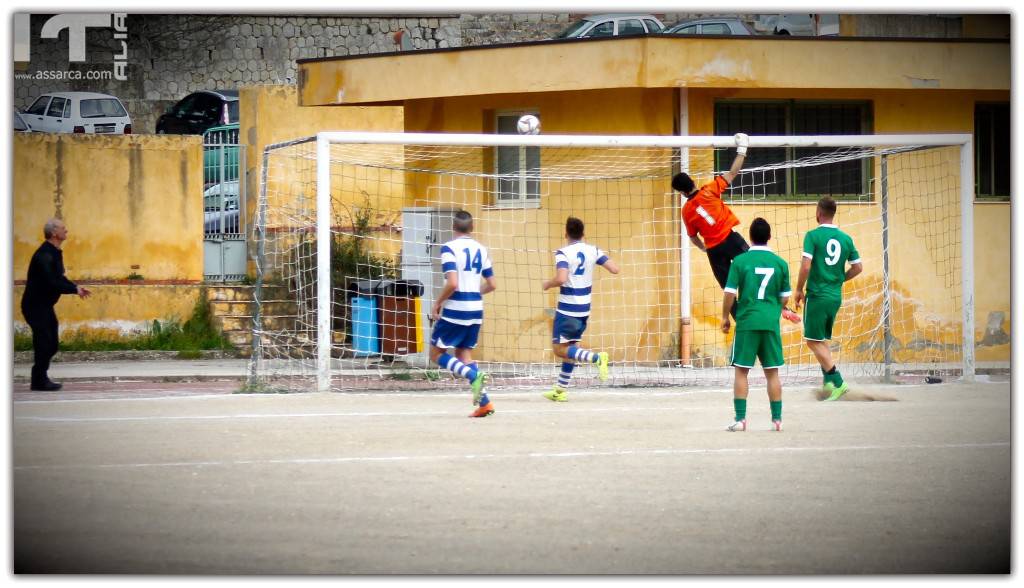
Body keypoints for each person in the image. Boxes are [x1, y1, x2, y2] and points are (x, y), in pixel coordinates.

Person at [721, 217, 791, 432]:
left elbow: (730, 293)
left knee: (741, 371)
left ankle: (741, 420)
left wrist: (725, 317)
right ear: (769, 237)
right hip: (770, 323)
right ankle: (777, 420)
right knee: (772, 373)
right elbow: (785, 298)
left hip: (747, 322)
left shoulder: (740, 262)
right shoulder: (781, 263)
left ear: (750, 238)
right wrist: (773, 309)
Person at [540, 217, 620, 402]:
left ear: (566, 234)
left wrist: (547, 284)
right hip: (584, 308)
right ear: (584, 234)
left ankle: (597, 358)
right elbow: (615, 269)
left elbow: (561, 278)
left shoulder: (563, 253)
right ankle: (560, 390)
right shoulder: (593, 250)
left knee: (559, 349)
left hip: (568, 308)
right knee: (571, 347)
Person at [793, 196, 863, 402]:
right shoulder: (846, 238)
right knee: (821, 340)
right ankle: (829, 385)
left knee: (812, 341)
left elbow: (806, 266)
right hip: (835, 296)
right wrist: (840, 278)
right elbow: (858, 267)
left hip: (817, 295)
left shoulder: (812, 236)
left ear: (819, 212)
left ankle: (838, 383)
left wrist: (798, 289)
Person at [673, 132, 750, 318]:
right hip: (731, 239)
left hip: (714, 249)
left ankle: (740, 321)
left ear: (682, 193)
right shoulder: (710, 189)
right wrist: (742, 150)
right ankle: (766, 305)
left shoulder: (686, 211)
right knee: (752, 268)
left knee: (728, 287)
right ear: (692, 182)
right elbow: (733, 173)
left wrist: (704, 249)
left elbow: (692, 237)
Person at [429, 210, 498, 418]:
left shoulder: (449, 248)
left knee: (435, 354)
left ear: (453, 227)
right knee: (463, 354)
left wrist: (437, 303)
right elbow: (493, 284)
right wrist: (475, 293)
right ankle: (485, 404)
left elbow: (452, 283)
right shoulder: (481, 249)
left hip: (456, 309)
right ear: (472, 228)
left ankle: (472, 375)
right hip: (476, 309)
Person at [21, 218, 91, 391]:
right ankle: (38, 380)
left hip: (44, 306)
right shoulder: (44, 255)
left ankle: (39, 377)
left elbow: (59, 278)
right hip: (35, 306)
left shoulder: (55, 252)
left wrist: (76, 288)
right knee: (44, 342)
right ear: (54, 233)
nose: (66, 231)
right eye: (63, 228)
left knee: (52, 344)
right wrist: (74, 290)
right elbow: (52, 282)